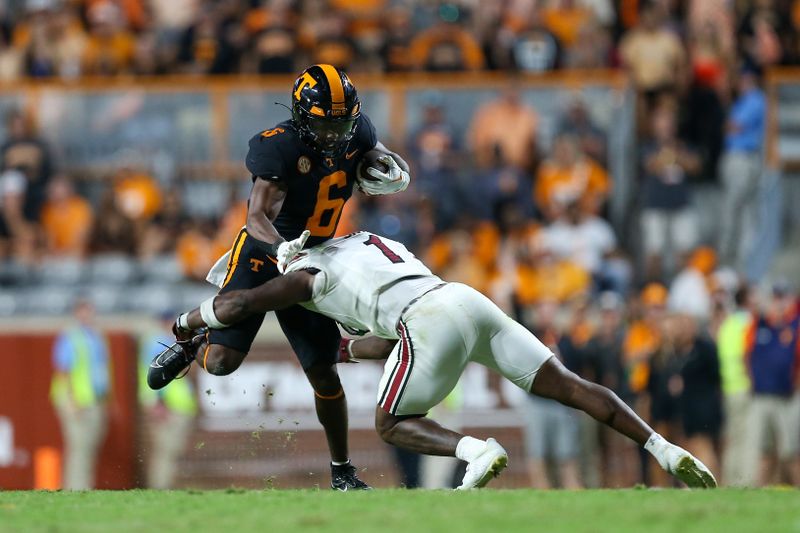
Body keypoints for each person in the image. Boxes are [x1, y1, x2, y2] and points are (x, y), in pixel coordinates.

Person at [156, 231, 716, 490]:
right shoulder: (372, 242)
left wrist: (185, 325)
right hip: (463, 298)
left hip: (425, 320)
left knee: (388, 423)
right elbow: (382, 338)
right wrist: (347, 349)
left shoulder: (306, 275)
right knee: (567, 383)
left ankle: (474, 450)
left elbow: (241, 303)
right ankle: (663, 450)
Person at [150, 64, 410, 491]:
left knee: (324, 372)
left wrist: (388, 165)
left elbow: (374, 148)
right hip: (265, 250)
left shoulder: (355, 128)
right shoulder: (278, 147)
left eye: (343, 124)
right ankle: (190, 336)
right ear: (302, 115)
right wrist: (280, 250)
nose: (336, 135)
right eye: (327, 125)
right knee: (220, 364)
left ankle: (342, 471)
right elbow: (255, 218)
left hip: (315, 258)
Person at [49, 299, 111, 490]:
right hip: (76, 399)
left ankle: (83, 486)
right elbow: (63, 370)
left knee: (89, 446)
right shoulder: (70, 337)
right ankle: (75, 487)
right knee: (78, 446)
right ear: (76, 314)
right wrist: (70, 399)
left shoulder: (96, 336)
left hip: (94, 399)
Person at [138, 312, 197, 489]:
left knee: (171, 451)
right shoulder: (158, 343)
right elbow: (155, 377)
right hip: (168, 406)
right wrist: (157, 403)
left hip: (175, 406)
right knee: (166, 451)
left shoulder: (162, 342)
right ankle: (161, 488)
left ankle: (165, 487)